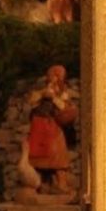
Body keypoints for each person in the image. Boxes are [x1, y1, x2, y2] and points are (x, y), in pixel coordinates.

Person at [26, 65, 77, 193]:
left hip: (53, 126)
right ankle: (42, 185)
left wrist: (54, 98)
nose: (56, 79)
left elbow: (64, 107)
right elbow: (31, 101)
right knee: (39, 158)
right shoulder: (41, 89)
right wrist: (43, 94)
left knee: (59, 156)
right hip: (40, 125)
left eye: (58, 76)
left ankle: (61, 184)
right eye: (54, 75)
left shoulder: (62, 92)